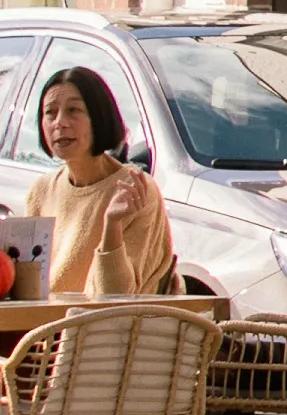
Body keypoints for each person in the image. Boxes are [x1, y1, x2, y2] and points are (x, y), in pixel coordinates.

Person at [24, 67, 176, 298]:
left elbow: (115, 297)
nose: (60, 123)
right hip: (42, 328)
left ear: (99, 117)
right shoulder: (41, 191)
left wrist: (112, 226)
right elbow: (28, 288)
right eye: (50, 113)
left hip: (100, 329)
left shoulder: (136, 189)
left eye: (74, 110)